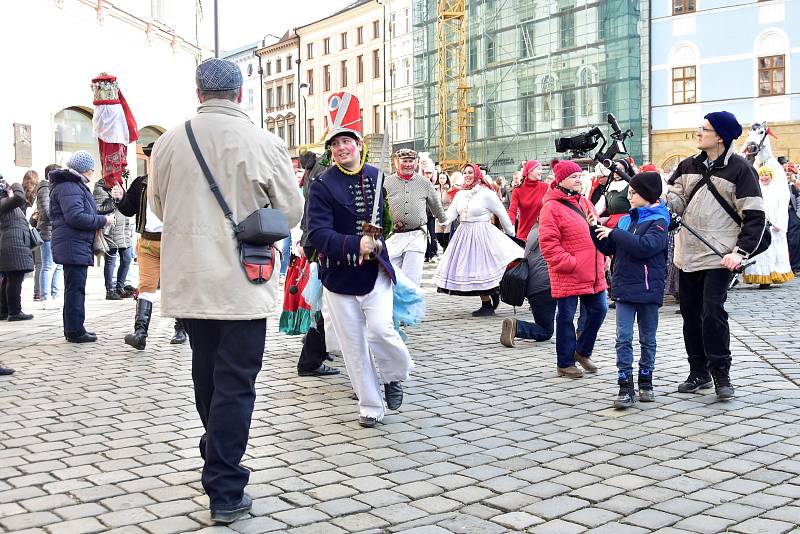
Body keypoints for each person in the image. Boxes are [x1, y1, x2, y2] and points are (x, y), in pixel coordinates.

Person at [148, 58, 303, 524]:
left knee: (206, 374)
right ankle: (225, 487)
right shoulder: (264, 141)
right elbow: (291, 211)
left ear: (199, 92)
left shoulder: (169, 142)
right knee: (235, 383)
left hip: (192, 277)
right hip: (242, 278)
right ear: (240, 93)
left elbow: (158, 204)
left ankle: (216, 448)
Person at [307, 91, 413, 428]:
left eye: (347, 141)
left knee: (382, 330)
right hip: (338, 277)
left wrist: (380, 237)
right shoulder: (322, 184)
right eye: (335, 143)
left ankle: (395, 375)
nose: (341, 148)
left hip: (375, 273)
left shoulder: (375, 176)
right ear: (331, 149)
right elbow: (317, 235)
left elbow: (383, 219)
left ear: (357, 143)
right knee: (353, 346)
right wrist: (356, 244)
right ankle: (370, 406)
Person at [666, 111, 767, 400]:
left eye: (704, 129)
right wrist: (663, 199)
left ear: (720, 136)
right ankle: (698, 372)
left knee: (712, 311)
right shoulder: (686, 165)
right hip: (688, 255)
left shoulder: (741, 170)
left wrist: (740, 252)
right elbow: (676, 201)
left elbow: (755, 215)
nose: (698, 133)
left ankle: (721, 373)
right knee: (690, 315)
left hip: (721, 256)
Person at [590, 172, 669, 408]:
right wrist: (595, 231)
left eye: (633, 192)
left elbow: (646, 247)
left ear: (646, 195)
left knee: (648, 338)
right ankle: (625, 385)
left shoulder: (659, 221)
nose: (629, 196)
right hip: (624, 287)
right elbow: (611, 247)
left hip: (647, 289)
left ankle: (646, 380)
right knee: (623, 338)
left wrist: (615, 233)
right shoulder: (626, 221)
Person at [539, 160, 608, 378]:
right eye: (574, 177)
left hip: (592, 270)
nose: (579, 180)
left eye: (580, 176)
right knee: (566, 317)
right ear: (561, 181)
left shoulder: (585, 203)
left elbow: (598, 232)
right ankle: (565, 362)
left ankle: (581, 351)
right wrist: (572, 263)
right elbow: (549, 245)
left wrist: (605, 253)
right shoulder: (551, 207)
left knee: (600, 310)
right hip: (569, 273)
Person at [113, 143, 187, 348]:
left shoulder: (178, 183)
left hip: (172, 242)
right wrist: (120, 199)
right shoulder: (140, 183)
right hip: (147, 242)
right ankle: (140, 333)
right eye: (153, 157)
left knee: (175, 286)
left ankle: (181, 329)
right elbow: (129, 210)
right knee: (145, 287)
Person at [434, 163, 523, 316]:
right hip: (464, 233)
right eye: (465, 173)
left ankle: (491, 297)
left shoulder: (486, 193)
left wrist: (511, 235)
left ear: (477, 174)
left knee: (484, 268)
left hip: (483, 234)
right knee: (473, 270)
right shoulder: (460, 194)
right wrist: (440, 218)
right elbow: (451, 214)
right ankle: (487, 301)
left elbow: (502, 213)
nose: (467, 175)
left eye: (470, 172)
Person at [48, 151, 113, 342]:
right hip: (72, 243)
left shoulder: (72, 185)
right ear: (84, 169)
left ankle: (76, 327)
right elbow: (75, 216)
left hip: (74, 243)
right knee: (75, 289)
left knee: (75, 288)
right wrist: (103, 220)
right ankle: (75, 331)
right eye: (92, 169)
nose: (93, 172)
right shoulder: (70, 186)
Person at [294, 150, 339, 378]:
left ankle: (313, 355)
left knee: (324, 309)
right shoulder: (324, 173)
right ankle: (311, 359)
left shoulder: (318, 170)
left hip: (320, 244)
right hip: (324, 247)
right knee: (325, 309)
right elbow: (312, 211)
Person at [384, 148, 447, 286]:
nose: (408, 164)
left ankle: (411, 307)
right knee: (390, 276)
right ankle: (394, 306)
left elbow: (436, 205)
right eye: (404, 161)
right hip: (393, 237)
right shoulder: (386, 182)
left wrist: (444, 221)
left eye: (411, 161)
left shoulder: (424, 183)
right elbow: (378, 207)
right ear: (396, 162)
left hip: (416, 235)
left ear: (416, 163)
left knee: (411, 280)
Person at [499, 225, 555, 346]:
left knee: (543, 324)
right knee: (546, 331)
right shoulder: (558, 229)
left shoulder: (534, 230)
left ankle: (515, 326)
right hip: (547, 285)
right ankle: (517, 326)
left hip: (531, 287)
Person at [742, 166, 794, 288]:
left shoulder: (777, 191)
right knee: (760, 252)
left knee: (772, 252)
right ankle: (761, 275)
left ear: (771, 176)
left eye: (767, 175)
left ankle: (771, 275)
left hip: (774, 227)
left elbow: (782, 209)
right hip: (760, 226)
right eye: (762, 175)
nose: (764, 178)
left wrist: (779, 224)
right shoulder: (757, 190)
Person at [0, 175, 35, 321]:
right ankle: (14, 312)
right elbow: (20, 197)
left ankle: (4, 311)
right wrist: (14, 184)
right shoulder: (3, 202)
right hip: (13, 245)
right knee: (14, 279)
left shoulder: (5, 203)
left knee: (10, 279)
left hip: (13, 244)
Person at [94, 178, 133, 300]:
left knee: (127, 259)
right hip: (111, 229)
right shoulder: (100, 189)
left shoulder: (120, 185)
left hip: (123, 229)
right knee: (111, 260)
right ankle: (110, 290)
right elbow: (99, 209)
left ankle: (120, 287)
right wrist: (114, 200)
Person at [36, 164, 64, 309]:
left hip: (56, 231)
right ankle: (45, 297)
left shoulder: (52, 188)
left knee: (58, 265)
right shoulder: (44, 189)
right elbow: (48, 212)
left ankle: (55, 295)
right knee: (48, 265)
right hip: (48, 231)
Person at [507, 160, 548, 241]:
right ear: (530, 171)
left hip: (543, 235)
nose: (541, 171)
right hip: (524, 235)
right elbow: (512, 211)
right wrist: (509, 227)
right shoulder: (517, 190)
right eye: (539, 169)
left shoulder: (546, 187)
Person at [22, 171, 42, 302]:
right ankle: (37, 292)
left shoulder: (19, 195)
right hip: (35, 233)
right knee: (39, 264)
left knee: (22, 265)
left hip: (21, 233)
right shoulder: (38, 196)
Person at [434, 173, 452, 250]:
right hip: (438, 214)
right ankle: (445, 248)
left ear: (447, 179)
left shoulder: (449, 189)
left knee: (446, 236)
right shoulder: (436, 189)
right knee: (438, 236)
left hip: (447, 212)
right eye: (440, 178)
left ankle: (446, 252)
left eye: (443, 178)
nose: (442, 180)